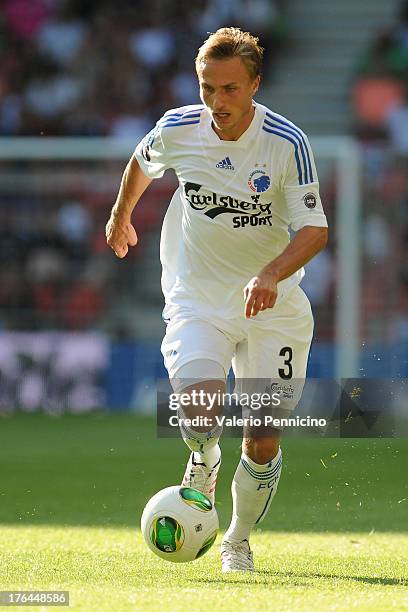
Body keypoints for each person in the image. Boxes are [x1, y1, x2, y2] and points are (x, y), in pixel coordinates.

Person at [106, 27, 328, 573]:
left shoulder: (286, 143)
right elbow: (142, 161)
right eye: (208, 87)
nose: (217, 101)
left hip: (272, 306)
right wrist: (120, 214)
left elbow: (315, 229)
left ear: (255, 83)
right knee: (199, 408)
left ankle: (236, 539)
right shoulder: (179, 127)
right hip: (198, 295)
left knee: (263, 437)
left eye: (230, 89)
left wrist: (272, 273)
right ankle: (203, 458)